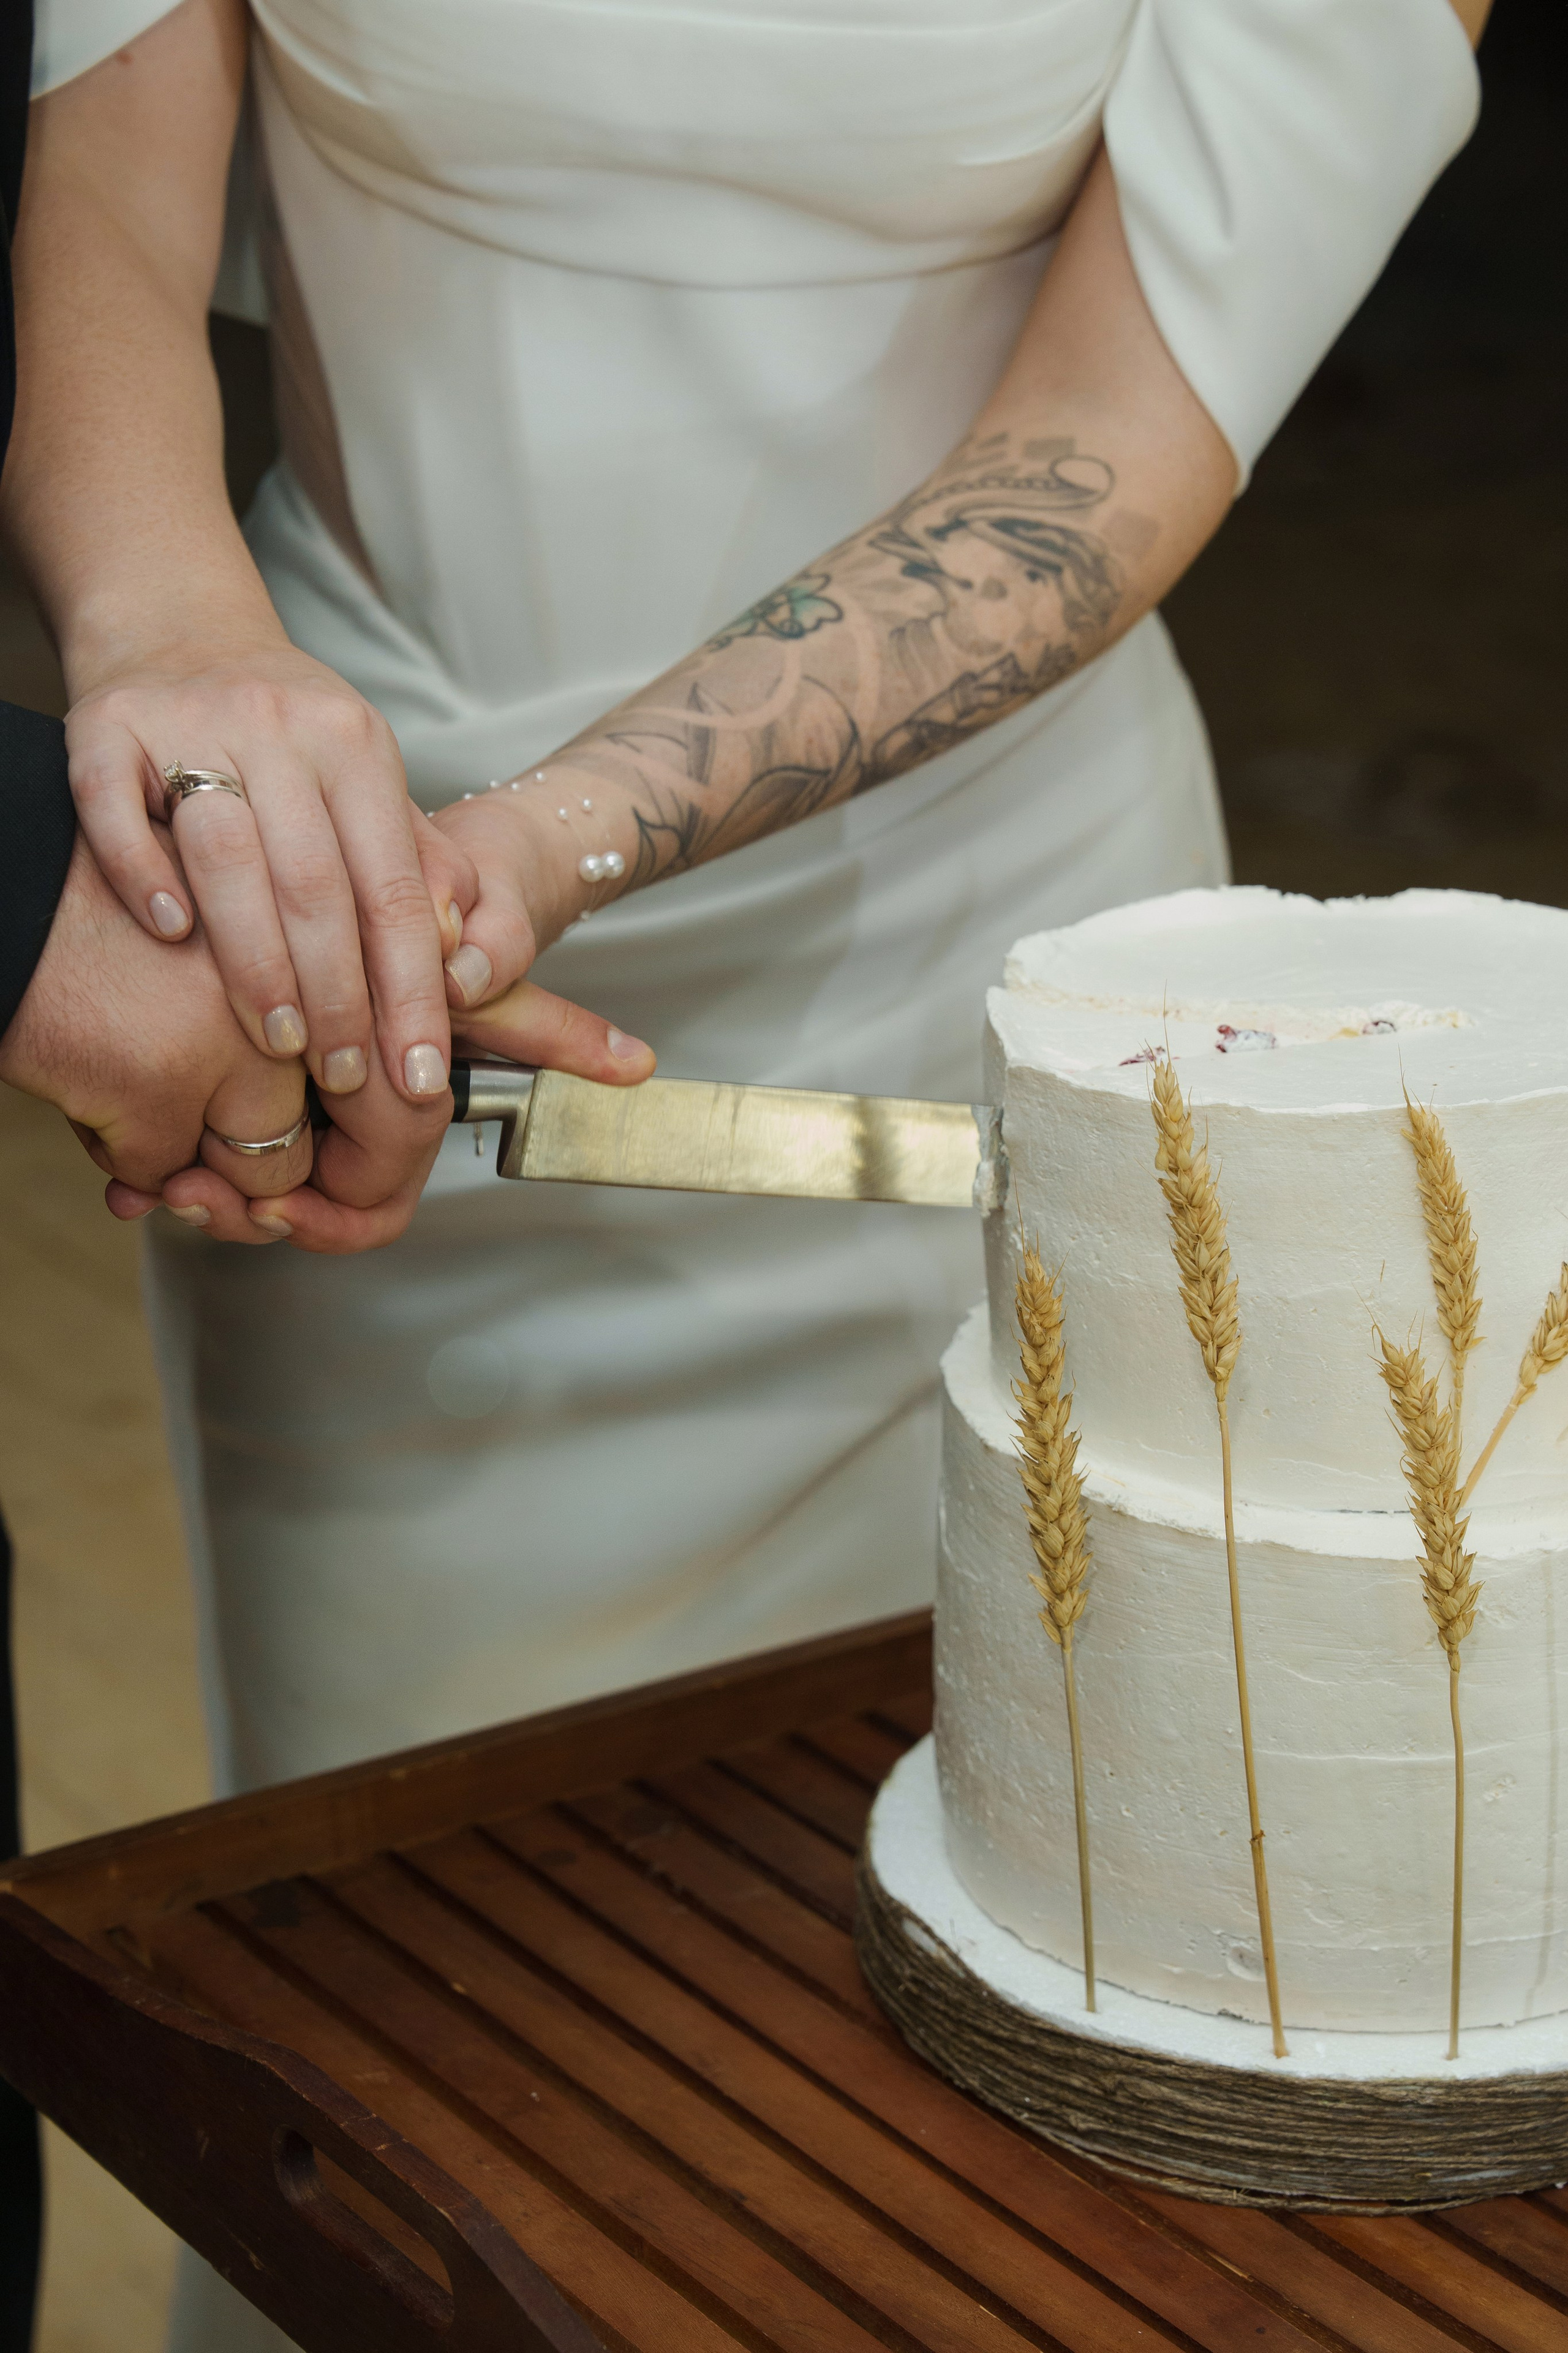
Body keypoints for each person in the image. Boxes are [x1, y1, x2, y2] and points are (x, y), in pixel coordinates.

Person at [9, 7, 1488, 2341]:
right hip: (341, 876)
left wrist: (532, 857)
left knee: (998, 2081)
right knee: (423, 2050)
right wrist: (177, 651)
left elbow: (1115, 433)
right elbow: (92, 184)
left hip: (959, 944)